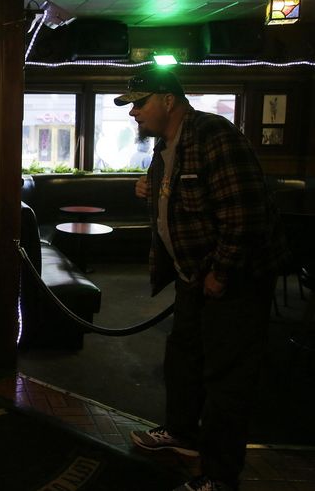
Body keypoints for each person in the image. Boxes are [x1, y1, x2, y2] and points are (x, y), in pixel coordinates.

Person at [115, 69, 289, 491]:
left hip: (234, 281)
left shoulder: (215, 135)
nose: (134, 112)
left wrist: (221, 272)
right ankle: (182, 435)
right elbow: (182, 198)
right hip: (192, 275)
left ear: (169, 100)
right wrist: (151, 188)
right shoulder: (166, 146)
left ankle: (219, 476)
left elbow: (245, 214)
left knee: (226, 379)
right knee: (184, 359)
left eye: (140, 102)